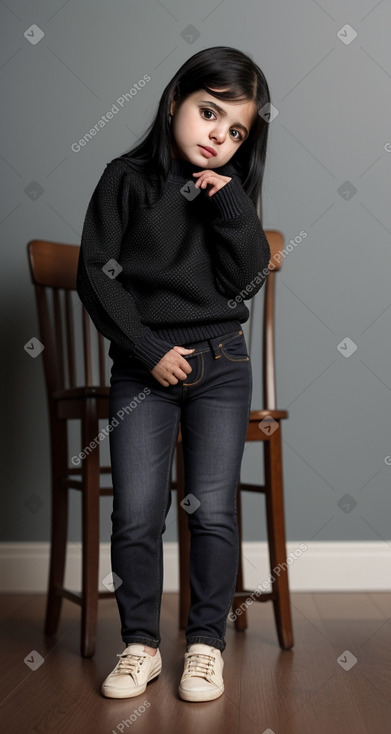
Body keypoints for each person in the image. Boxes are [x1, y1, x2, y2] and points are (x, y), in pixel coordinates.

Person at [76, 45, 271, 703]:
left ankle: (204, 646)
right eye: (208, 112)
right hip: (143, 369)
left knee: (211, 510)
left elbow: (244, 280)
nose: (217, 135)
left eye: (235, 129)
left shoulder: (227, 196)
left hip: (221, 365)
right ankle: (139, 645)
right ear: (173, 104)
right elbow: (94, 274)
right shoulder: (125, 179)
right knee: (135, 510)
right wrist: (146, 348)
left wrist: (234, 208)